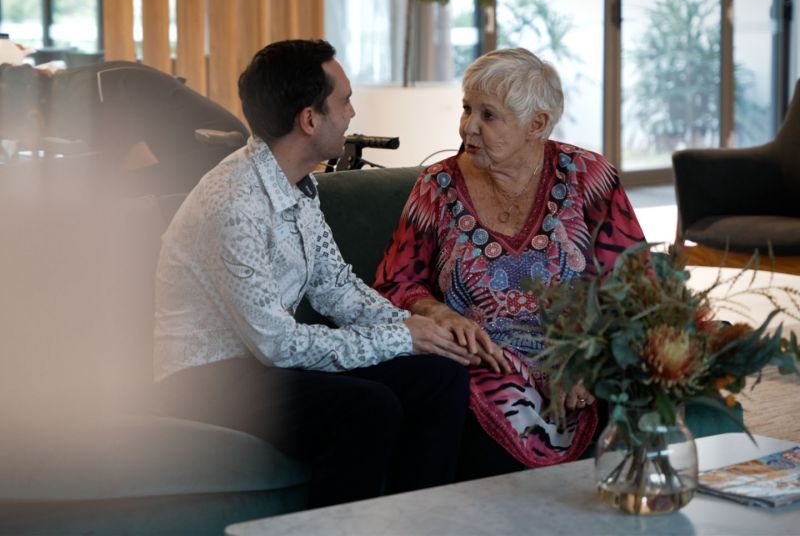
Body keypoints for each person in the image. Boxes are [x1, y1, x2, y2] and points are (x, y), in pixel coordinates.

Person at [153, 39, 490, 509]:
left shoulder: (298, 185)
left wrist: (425, 332)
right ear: (310, 119)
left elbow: (335, 287)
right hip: (204, 376)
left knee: (439, 376)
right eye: (344, 100)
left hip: (259, 363)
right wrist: (401, 338)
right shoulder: (233, 202)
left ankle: (416, 523)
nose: (352, 113)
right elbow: (277, 344)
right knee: (367, 410)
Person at [374, 48, 646, 480]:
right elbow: (395, 282)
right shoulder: (437, 186)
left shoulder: (589, 176)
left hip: (579, 357)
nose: (468, 127)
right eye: (466, 109)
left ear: (537, 124)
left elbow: (635, 285)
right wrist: (439, 312)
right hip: (488, 361)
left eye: (488, 115)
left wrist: (589, 361)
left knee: (630, 392)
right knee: (483, 409)